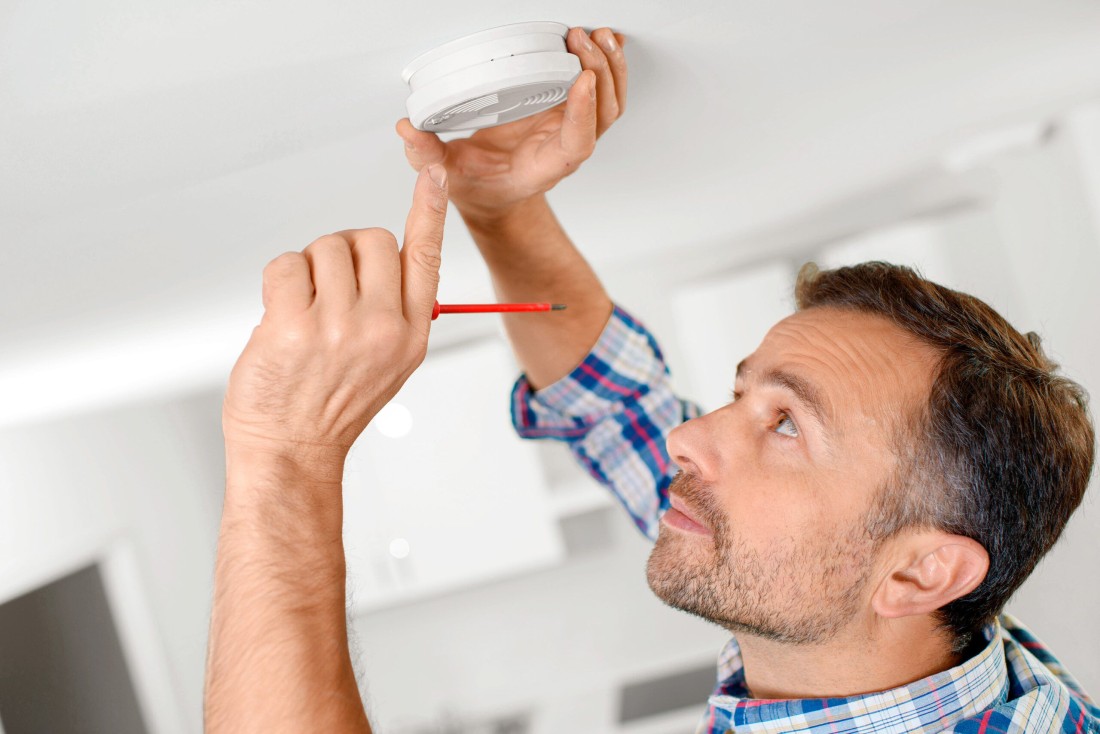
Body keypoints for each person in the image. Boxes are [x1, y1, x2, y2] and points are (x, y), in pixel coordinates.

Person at [204, 25, 1099, 733]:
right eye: (746, 397)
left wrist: (286, 456)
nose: (687, 436)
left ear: (919, 576)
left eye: (787, 424)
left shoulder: (835, 591)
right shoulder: (876, 617)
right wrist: (502, 210)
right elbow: (617, 408)